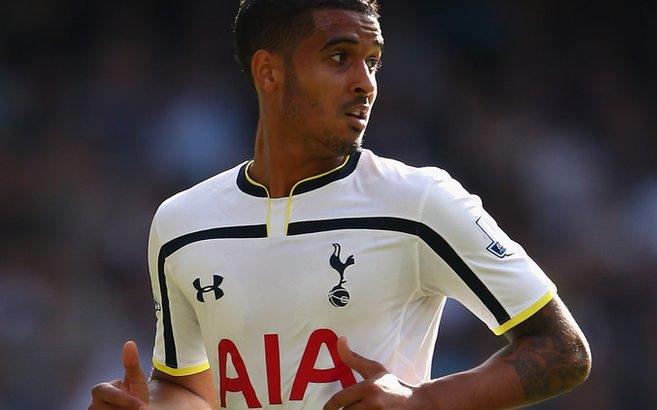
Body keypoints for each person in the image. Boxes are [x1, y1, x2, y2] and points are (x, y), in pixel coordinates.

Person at [90, 0, 591, 408]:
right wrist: (147, 406)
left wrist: (423, 402)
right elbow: (190, 388)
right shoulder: (181, 224)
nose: (366, 83)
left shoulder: (419, 202)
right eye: (339, 57)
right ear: (269, 71)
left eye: (372, 60)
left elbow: (564, 349)